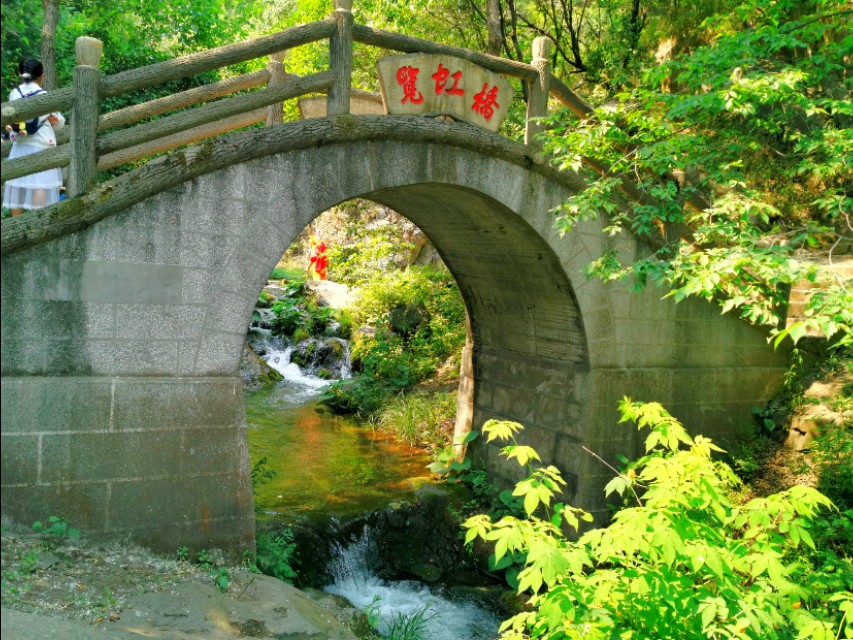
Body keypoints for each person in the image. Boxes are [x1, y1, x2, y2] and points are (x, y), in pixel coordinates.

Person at [2, 57, 65, 216]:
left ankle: (17, 224)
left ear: (20, 73)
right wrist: (51, 118)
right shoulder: (45, 95)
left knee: (17, 186)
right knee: (40, 185)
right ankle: (37, 223)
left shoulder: (15, 94)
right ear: (42, 75)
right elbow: (59, 123)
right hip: (42, 146)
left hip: (20, 146)